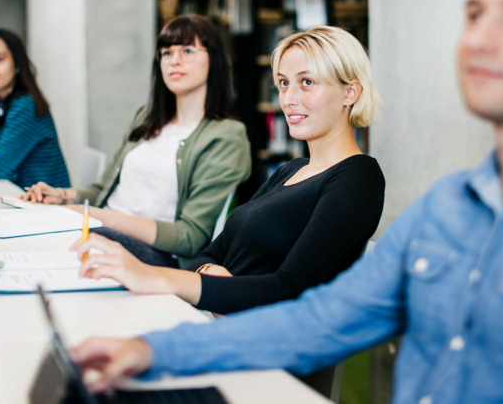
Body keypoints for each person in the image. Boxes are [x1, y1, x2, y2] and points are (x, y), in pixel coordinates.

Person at [71, 0, 503, 401]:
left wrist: (156, 280)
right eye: (475, 15)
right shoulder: (444, 211)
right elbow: (317, 320)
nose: (482, 39)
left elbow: (287, 291)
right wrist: (150, 351)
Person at [69, 25, 385, 316]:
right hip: (212, 317)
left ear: (350, 93)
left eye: (307, 83)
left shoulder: (358, 177)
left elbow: (287, 290)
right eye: (284, 84)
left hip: (249, 344)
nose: (288, 99)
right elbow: (209, 253)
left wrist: (150, 276)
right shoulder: (290, 171)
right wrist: (212, 276)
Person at [22, 14, 252, 268]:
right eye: (166, 52)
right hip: (106, 231)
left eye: (187, 50)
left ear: (215, 59)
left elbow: (190, 238)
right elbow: (102, 191)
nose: (174, 60)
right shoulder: (148, 117)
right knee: (36, 230)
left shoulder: (226, 136)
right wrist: (62, 196)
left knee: (57, 240)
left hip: (158, 256)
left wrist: (98, 218)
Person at [0, 28, 70, 189]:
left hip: (46, 206)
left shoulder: (25, 107)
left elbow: (0, 171)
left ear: (17, 65)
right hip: (21, 199)